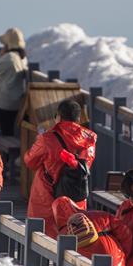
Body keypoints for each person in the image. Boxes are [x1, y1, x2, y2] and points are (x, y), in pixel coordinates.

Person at [23, 99, 97, 238]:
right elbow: (85, 166)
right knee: (74, 235)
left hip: (47, 194)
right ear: (78, 118)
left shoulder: (47, 138)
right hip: (76, 194)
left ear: (58, 117)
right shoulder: (89, 140)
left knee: (42, 237)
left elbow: (30, 161)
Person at [52, 196, 131, 266]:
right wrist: (123, 253)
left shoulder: (63, 233)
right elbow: (124, 231)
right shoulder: (98, 216)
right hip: (114, 258)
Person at [0, 27, 28, 136]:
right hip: (14, 103)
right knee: (7, 132)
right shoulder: (22, 58)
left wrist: (0, 54)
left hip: (2, 103)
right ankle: (4, 153)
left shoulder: (10, 58)